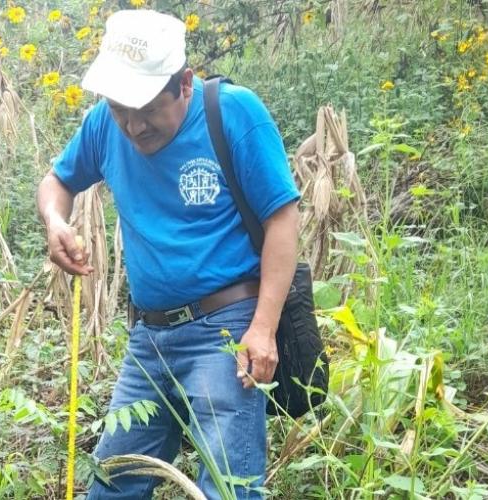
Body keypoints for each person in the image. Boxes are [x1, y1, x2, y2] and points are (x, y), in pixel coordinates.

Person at [36, 9, 300, 500]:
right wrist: (56, 221)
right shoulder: (104, 126)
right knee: (112, 482)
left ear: (184, 83)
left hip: (225, 329)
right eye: (120, 109)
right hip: (149, 337)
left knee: (228, 488)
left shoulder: (234, 113)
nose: (133, 126)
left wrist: (263, 328)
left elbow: (282, 219)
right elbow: (57, 181)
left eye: (147, 109)